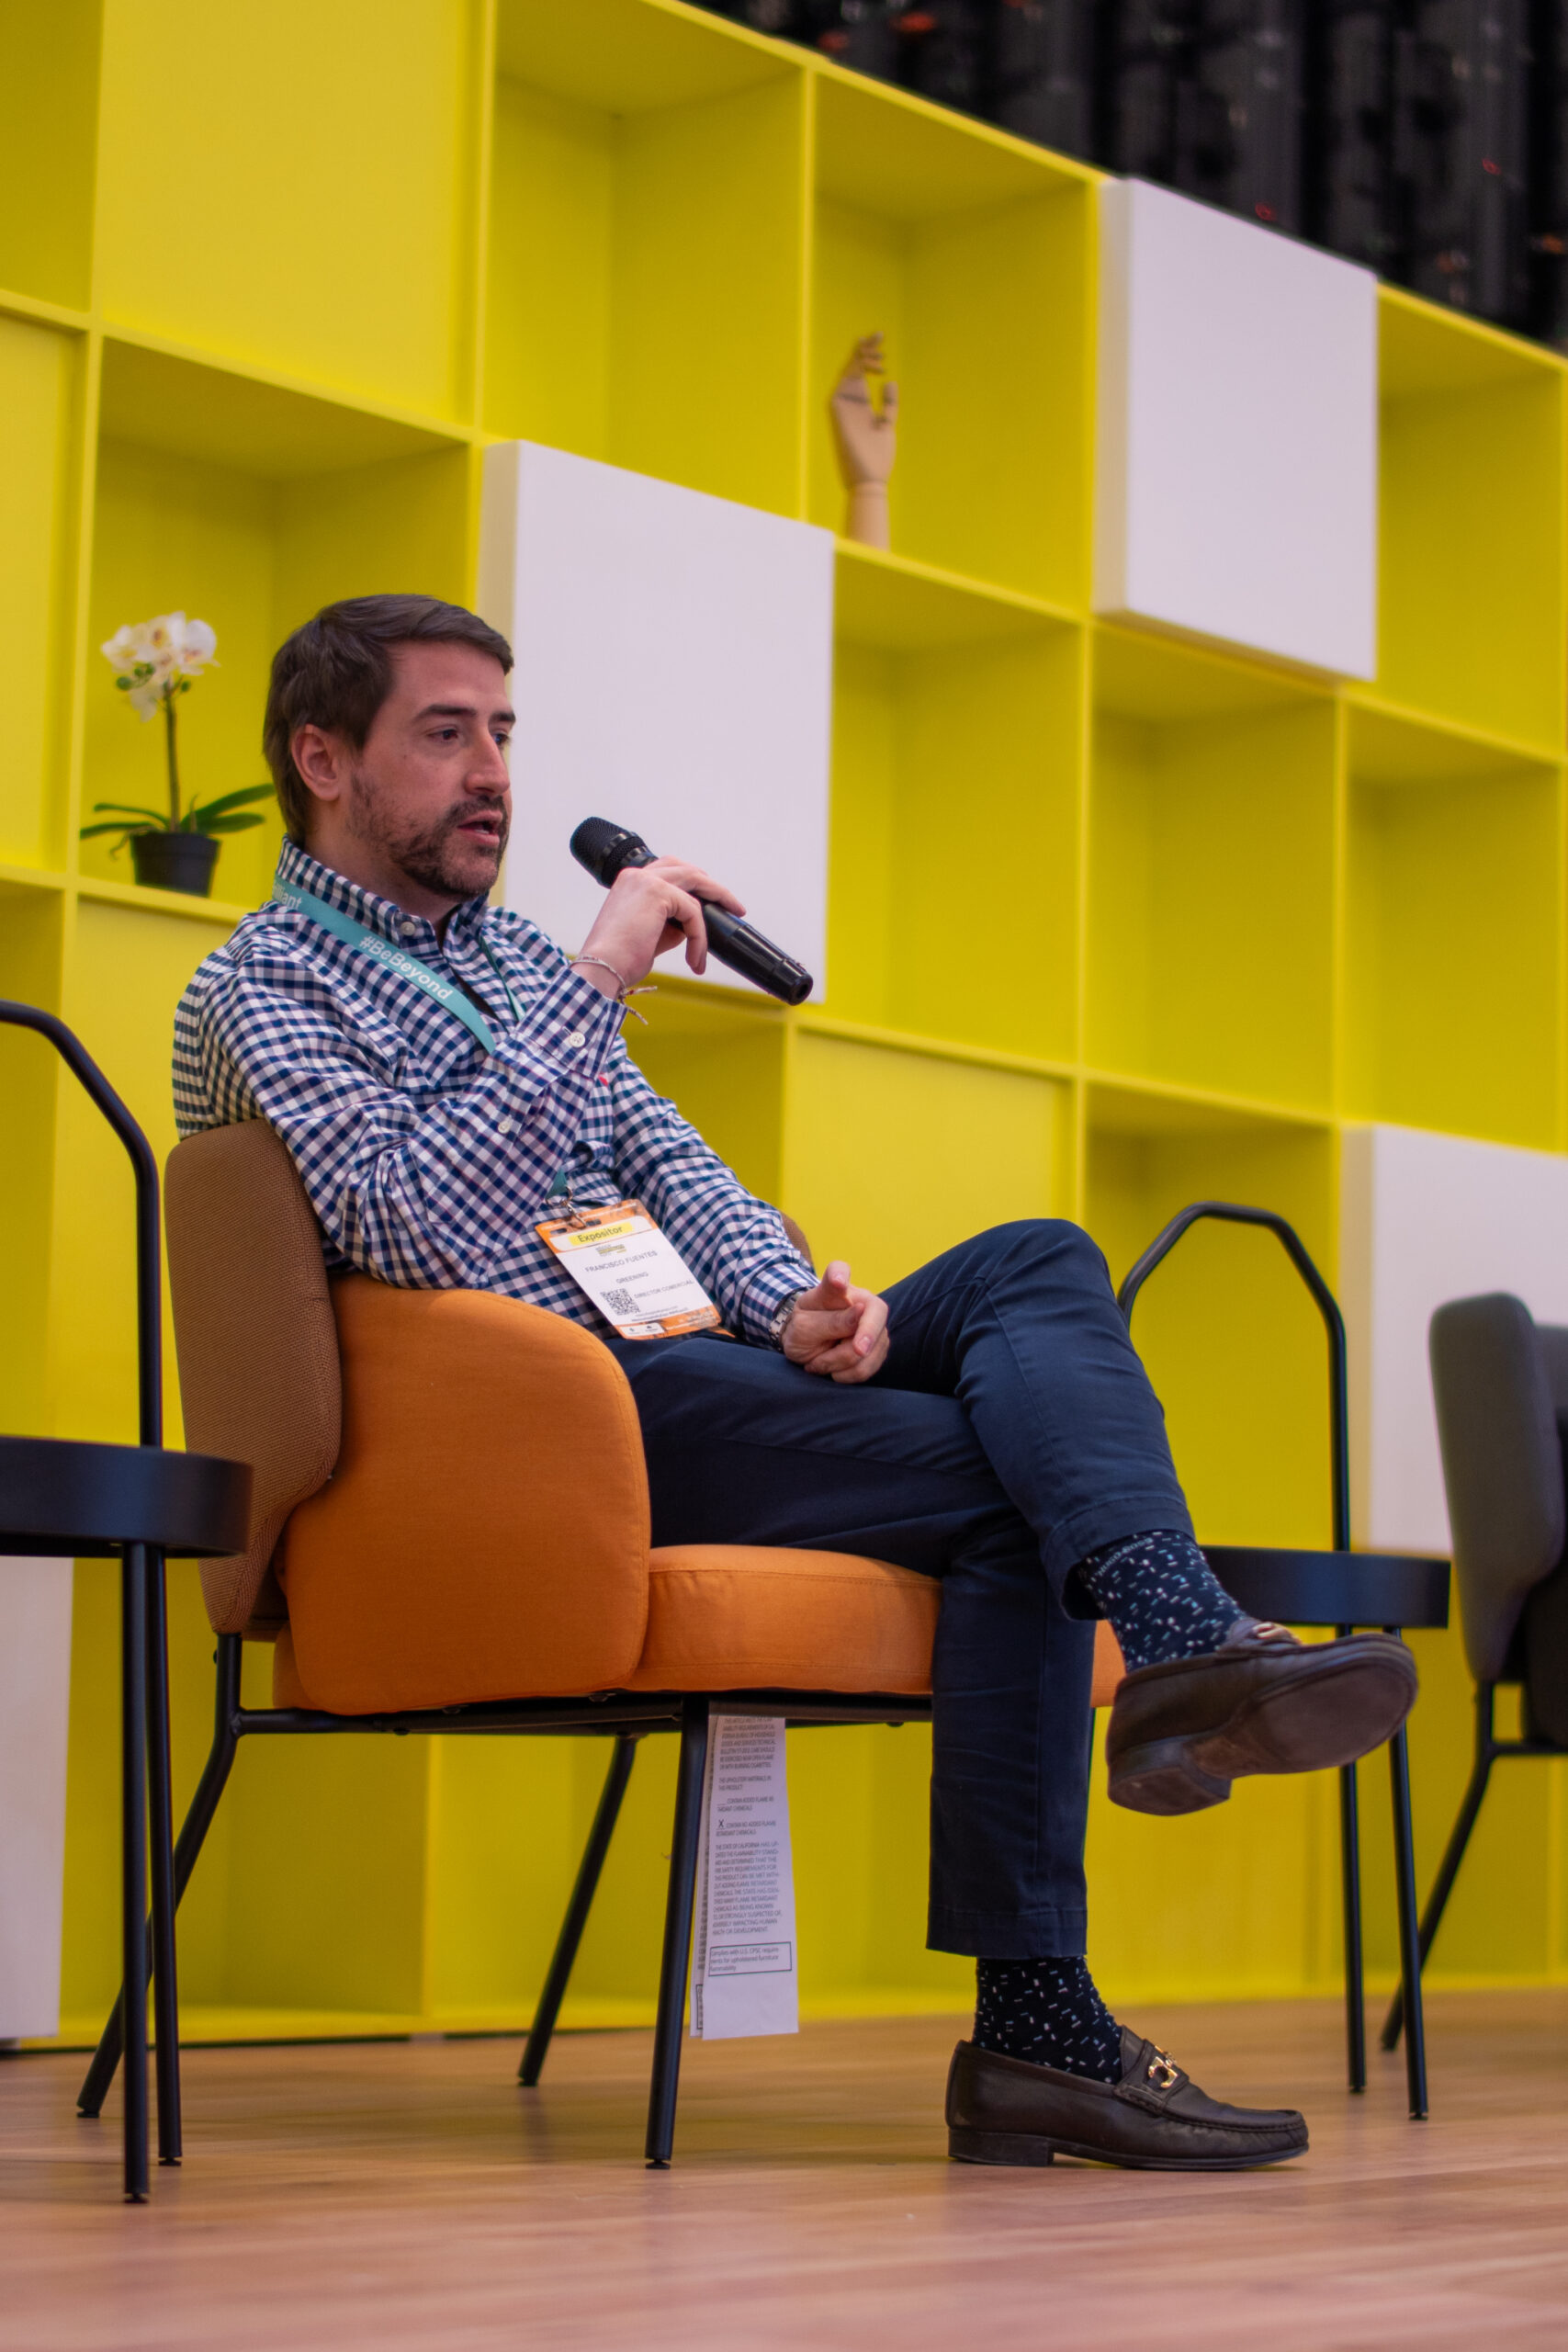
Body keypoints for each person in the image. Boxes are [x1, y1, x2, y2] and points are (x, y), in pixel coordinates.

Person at [175, 594, 1416, 2172]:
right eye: (444, 733)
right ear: (322, 760)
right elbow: (417, 1225)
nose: (493, 772)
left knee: (1036, 1262)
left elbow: (673, 1167)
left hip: (699, 1370)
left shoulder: (507, 959)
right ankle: (1049, 2005)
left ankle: (1171, 1641)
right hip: (544, 1428)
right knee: (1012, 1488)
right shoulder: (260, 987)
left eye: (503, 732)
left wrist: (790, 1309)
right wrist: (600, 974)